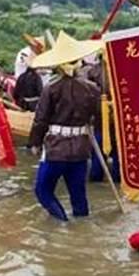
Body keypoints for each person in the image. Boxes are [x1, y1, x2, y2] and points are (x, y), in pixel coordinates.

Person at [28, 32, 100, 221]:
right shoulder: (92, 89)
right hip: (81, 148)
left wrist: (34, 143)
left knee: (43, 190)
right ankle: (82, 231)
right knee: (79, 196)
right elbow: (97, 118)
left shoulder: (51, 89)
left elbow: (41, 120)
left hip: (56, 148)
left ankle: (62, 222)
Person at [78, 55, 120, 183]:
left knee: (98, 153)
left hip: (100, 119)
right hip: (114, 120)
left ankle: (97, 179)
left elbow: (85, 98)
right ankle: (116, 178)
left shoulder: (91, 72)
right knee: (117, 154)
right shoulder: (118, 70)